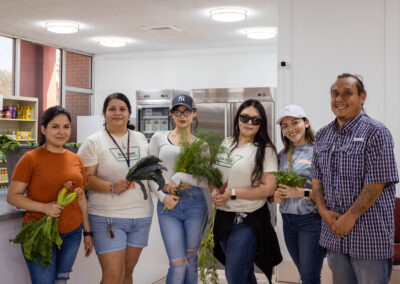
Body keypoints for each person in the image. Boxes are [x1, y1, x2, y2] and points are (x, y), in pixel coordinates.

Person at [311, 73, 399, 284]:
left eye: (347, 93)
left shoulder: (376, 132)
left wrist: (349, 218)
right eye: (335, 94)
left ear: (362, 97)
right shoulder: (322, 135)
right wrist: (323, 211)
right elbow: (316, 180)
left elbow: (376, 184)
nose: (339, 99)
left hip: (369, 236)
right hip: (335, 236)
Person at [7, 106, 93, 284]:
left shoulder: (75, 159)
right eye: (55, 126)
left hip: (72, 233)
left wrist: (87, 232)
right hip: (39, 232)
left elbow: (81, 198)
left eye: (66, 126)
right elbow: (13, 196)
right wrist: (44, 208)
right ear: (43, 129)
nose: (62, 132)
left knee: (62, 280)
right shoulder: (30, 158)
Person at [78, 93, 152, 284]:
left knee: (127, 275)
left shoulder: (140, 138)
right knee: (113, 277)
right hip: (108, 217)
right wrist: (110, 186)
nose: (117, 113)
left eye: (122, 109)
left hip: (141, 216)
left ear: (129, 113)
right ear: (104, 113)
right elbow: (85, 179)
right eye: (112, 109)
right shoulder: (94, 141)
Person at [211, 99, 282, 284]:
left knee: (234, 276)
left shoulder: (265, 150)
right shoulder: (227, 143)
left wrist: (232, 193)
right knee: (244, 273)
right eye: (245, 117)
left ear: (261, 125)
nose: (249, 123)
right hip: (223, 218)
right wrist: (215, 191)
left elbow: (268, 188)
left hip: (247, 221)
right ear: (237, 119)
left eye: (256, 120)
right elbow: (216, 176)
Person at [149, 94, 208, 284]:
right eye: (177, 111)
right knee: (178, 262)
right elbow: (151, 172)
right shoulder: (159, 138)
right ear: (171, 114)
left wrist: (180, 177)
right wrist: (162, 196)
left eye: (187, 111)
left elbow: (205, 180)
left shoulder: (201, 145)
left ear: (194, 113)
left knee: (191, 259)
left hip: (195, 203)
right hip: (168, 204)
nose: (182, 115)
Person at [274, 104, 324, 284]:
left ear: (306, 122)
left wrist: (300, 192)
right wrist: (276, 195)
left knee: (310, 277)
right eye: (285, 126)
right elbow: (276, 186)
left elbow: (330, 193)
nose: (290, 129)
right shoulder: (282, 155)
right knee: (304, 273)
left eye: (295, 122)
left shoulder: (319, 151)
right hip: (288, 221)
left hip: (310, 221)